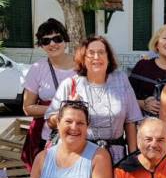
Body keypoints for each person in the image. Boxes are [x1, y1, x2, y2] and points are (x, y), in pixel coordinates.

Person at [46, 36, 143, 164]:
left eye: (101, 52)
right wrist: (68, 110)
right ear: (83, 58)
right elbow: (50, 121)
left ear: (108, 57)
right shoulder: (70, 85)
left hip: (116, 157)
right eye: (91, 53)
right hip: (81, 155)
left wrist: (133, 157)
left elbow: (130, 122)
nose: (96, 57)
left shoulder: (121, 80)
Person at [21, 18, 74, 170]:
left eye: (57, 38)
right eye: (46, 41)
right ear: (41, 45)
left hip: (79, 135)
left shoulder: (82, 65)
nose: (52, 44)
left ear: (65, 39)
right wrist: (58, 110)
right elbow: (27, 107)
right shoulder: (37, 68)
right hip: (47, 138)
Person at [129, 23, 166, 117]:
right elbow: (126, 98)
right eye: (165, 38)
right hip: (146, 127)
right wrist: (144, 104)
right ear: (157, 44)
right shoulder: (143, 66)